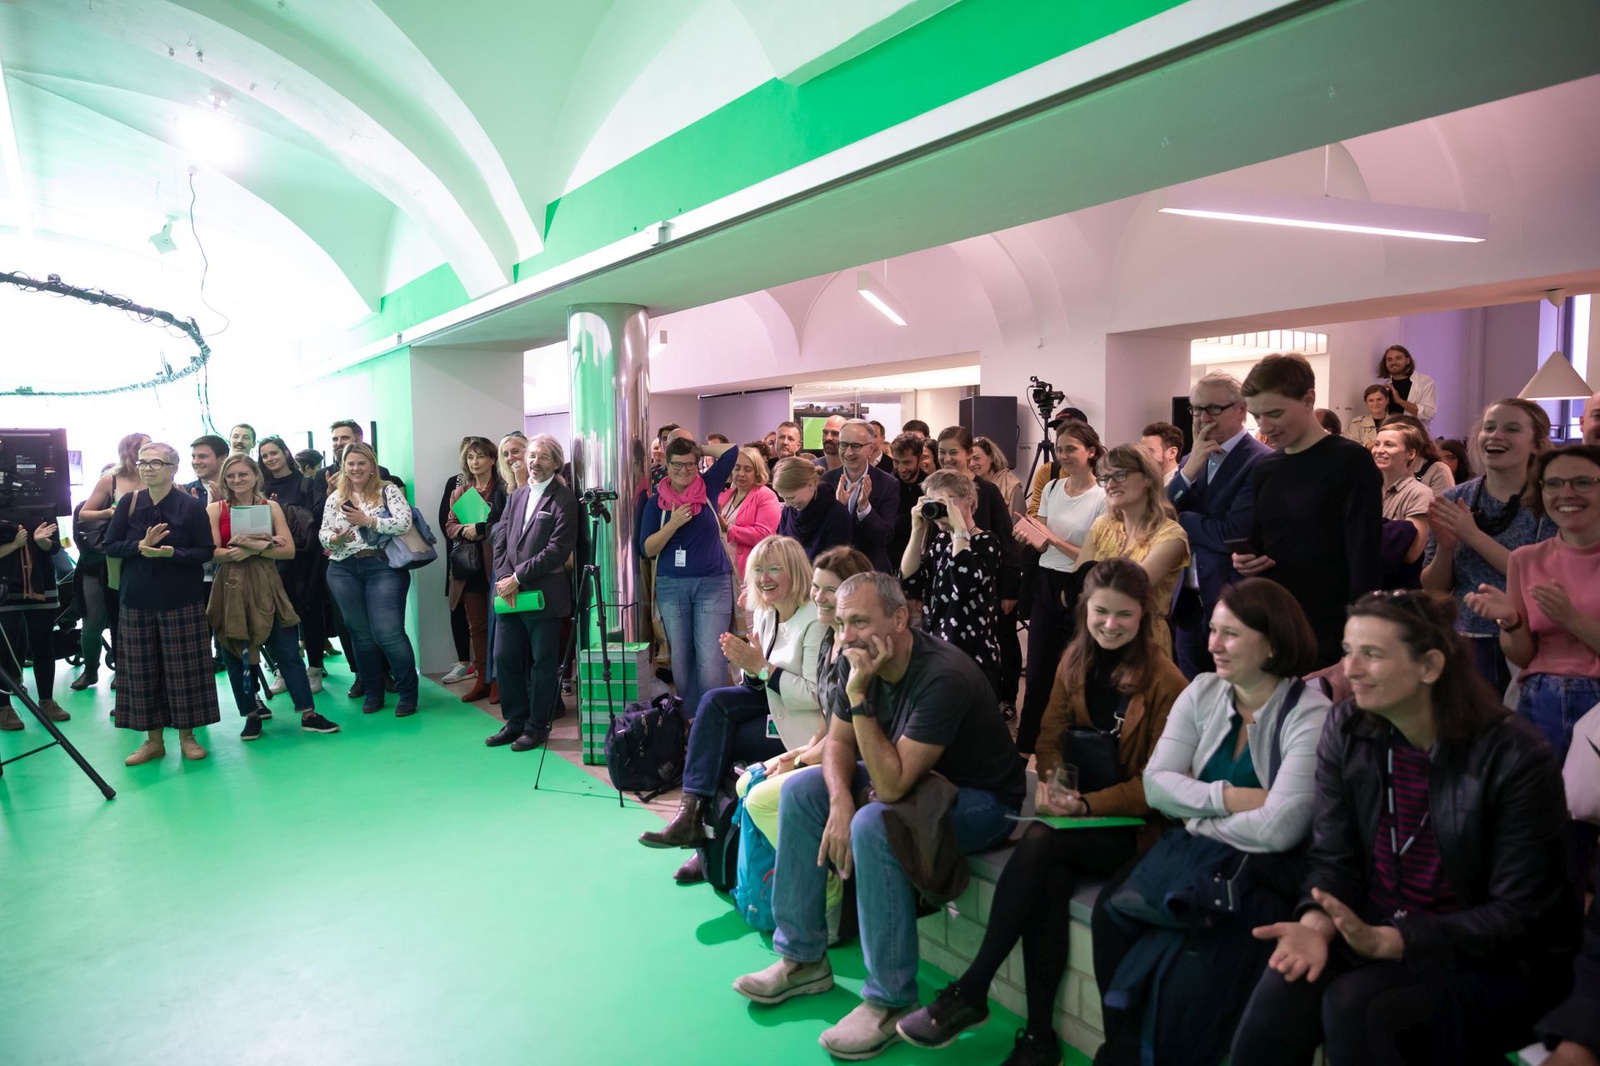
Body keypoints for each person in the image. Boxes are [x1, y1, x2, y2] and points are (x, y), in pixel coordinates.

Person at [1230, 591, 1580, 1066]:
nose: (1349, 670)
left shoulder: (1514, 754)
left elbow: (1520, 915)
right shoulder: (1346, 727)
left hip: (1495, 960)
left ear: (1430, 666)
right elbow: (1333, 859)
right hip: (1378, 930)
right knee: (1289, 975)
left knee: (1356, 1006)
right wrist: (1316, 924)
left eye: (1371, 654)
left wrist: (1397, 941)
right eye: (1348, 651)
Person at [896, 559, 1186, 1066]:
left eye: (1124, 614)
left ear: (1144, 615)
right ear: (1085, 610)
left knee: (1042, 842)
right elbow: (1048, 739)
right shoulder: (1075, 660)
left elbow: (1156, 787)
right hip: (1076, 819)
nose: (1110, 624)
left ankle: (973, 988)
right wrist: (1054, 786)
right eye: (1100, 612)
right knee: (1047, 877)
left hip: (1137, 829)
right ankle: (1038, 1039)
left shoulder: (1168, 683)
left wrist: (1087, 805)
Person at [733, 573, 1024, 1061]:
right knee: (803, 793)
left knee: (876, 823)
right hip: (917, 781)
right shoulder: (858, 658)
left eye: (861, 622)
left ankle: (890, 1000)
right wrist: (840, 802)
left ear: (900, 618)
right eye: (842, 623)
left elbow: (890, 787)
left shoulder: (942, 675)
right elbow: (838, 746)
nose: (847, 636)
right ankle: (803, 960)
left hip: (984, 800)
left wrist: (860, 697)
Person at [1089, 579, 1328, 1066]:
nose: (1214, 644)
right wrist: (1231, 798)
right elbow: (1156, 786)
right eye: (1213, 630)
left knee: (1187, 967)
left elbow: (1281, 828)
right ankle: (1122, 1049)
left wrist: (1194, 811)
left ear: (1274, 644)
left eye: (1231, 634)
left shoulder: (1310, 713)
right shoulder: (1203, 690)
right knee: (1110, 913)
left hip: (1259, 876)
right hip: (1194, 856)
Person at [640, 536, 823, 873]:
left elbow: (814, 695)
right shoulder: (767, 612)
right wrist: (750, 667)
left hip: (804, 727)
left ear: (796, 571)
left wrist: (761, 668)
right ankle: (691, 817)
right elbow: (757, 683)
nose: (764, 578)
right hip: (774, 705)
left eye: (774, 569)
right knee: (713, 702)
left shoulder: (815, 620)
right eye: (758, 570)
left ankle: (707, 847)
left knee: (717, 743)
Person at [1466, 443, 1600, 884]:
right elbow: (1523, 656)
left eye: (1583, 482)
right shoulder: (1527, 559)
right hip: (1540, 703)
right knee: (1542, 836)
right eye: (1553, 484)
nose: (1566, 493)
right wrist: (1509, 620)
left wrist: (1571, 619)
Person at [1234, 353, 1383, 668]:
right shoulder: (1265, 468)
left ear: (1308, 399)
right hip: (1273, 623)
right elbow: (1261, 540)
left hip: (1328, 626)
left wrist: (1356, 642)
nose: (1265, 427)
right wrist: (1245, 560)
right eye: (1257, 416)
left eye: (1275, 413)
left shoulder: (1350, 461)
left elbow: (1364, 556)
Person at [735, 546, 874, 848]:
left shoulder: (858, 648)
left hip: (857, 761)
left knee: (759, 798)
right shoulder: (830, 639)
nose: (819, 597)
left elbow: (845, 734)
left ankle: (820, 872)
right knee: (745, 781)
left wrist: (798, 761)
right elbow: (829, 718)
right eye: (816, 587)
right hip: (822, 745)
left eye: (831, 590)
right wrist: (798, 754)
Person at [1423, 399, 1555, 691]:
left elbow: (1541, 580)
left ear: (1536, 444)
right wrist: (1445, 548)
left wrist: (1472, 536)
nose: (1496, 436)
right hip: (1462, 640)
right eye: (1489, 427)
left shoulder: (1550, 501)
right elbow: (1433, 589)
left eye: (1512, 429)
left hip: (1527, 643)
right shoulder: (1453, 498)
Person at [102, 442, 221, 764]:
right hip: (136, 598)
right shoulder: (129, 503)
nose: (148, 468)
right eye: (143, 463)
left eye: (156, 463)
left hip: (180, 599)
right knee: (142, 671)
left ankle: (187, 736)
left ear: (172, 469)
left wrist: (172, 553)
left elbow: (205, 550)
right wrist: (139, 545)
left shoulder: (190, 506)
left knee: (185, 670)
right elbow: (110, 545)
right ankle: (153, 741)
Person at [207, 455, 336, 740]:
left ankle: (308, 713)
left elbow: (288, 550)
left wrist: (252, 548)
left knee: (287, 649)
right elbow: (212, 551)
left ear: (256, 475)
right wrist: (260, 545)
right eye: (231, 476)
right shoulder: (216, 509)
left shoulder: (271, 507)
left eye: (243, 474)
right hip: (231, 587)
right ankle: (251, 714)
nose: (237, 480)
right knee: (237, 653)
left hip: (268, 584)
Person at [1167, 370, 1272, 678]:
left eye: (1213, 408)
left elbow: (1233, 533)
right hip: (1188, 601)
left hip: (1232, 599)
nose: (1202, 418)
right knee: (1193, 693)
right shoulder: (1190, 459)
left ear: (1241, 410)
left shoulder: (1260, 461)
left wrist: (1184, 520)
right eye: (1196, 409)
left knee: (1234, 692)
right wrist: (1187, 474)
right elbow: (1161, 514)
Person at [1015, 420, 1107, 753]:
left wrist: (1051, 538)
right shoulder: (1053, 488)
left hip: (1081, 586)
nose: (1063, 455)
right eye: (1059, 449)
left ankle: (1071, 748)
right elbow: (1042, 542)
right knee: (1038, 674)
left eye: (1071, 449)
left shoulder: (1102, 497)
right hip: (1046, 582)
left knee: (1076, 673)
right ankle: (1026, 747)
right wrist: (1028, 533)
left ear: (1091, 452)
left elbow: (1091, 554)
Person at [489, 434, 579, 751]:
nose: (534, 462)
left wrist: (518, 576)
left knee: (543, 664)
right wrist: (504, 576)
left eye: (542, 457)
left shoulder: (564, 499)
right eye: (531, 456)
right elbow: (500, 540)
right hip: (511, 595)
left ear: (555, 463)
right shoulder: (516, 496)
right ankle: (515, 721)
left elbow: (557, 550)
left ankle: (538, 726)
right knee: (505, 658)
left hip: (544, 596)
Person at [639, 436, 740, 719]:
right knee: (681, 659)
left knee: (711, 658)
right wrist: (673, 524)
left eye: (690, 465)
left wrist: (698, 448)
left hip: (713, 583)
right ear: (666, 465)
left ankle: (711, 720)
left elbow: (731, 451)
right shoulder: (656, 504)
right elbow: (647, 549)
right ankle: (689, 720)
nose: (684, 471)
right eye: (677, 465)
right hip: (672, 586)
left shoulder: (708, 486)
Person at [319, 441, 421, 716]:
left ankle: (408, 694)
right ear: (344, 467)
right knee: (360, 634)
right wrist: (335, 539)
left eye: (361, 463)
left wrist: (368, 521)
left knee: (388, 632)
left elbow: (404, 523)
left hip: (383, 566)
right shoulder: (335, 498)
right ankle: (373, 692)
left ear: (372, 465)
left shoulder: (388, 490)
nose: (355, 468)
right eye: (350, 463)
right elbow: (323, 533)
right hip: (342, 568)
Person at [1079, 444, 1190, 653]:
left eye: (1120, 475)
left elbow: (1130, 589)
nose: (1110, 484)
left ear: (1147, 478)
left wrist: (1089, 584)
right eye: (1105, 478)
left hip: (1145, 643)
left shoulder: (1171, 535)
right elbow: (1072, 591)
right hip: (1097, 637)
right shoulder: (1102, 525)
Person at [901, 471, 1002, 692]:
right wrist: (917, 531)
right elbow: (909, 580)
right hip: (936, 647)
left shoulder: (986, 542)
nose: (941, 509)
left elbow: (964, 584)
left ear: (969, 500)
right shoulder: (940, 542)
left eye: (947, 501)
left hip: (972, 653)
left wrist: (959, 529)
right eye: (932, 502)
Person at [75, 431, 148, 689]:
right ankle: (96, 669)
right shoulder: (111, 480)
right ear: (131, 451)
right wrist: (110, 511)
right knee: (102, 620)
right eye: (145, 447)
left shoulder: (156, 478)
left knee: (135, 620)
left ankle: (130, 672)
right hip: (109, 561)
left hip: (144, 557)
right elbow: (84, 513)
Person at [257, 435, 329, 693]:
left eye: (274, 453)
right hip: (271, 558)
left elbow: (316, 518)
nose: (270, 459)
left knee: (310, 612)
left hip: (304, 558)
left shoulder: (306, 482)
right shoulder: (260, 486)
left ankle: (315, 669)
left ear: (285, 453)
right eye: (265, 455)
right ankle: (284, 670)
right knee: (276, 616)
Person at [443, 437, 507, 703]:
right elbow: (449, 526)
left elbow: (509, 525)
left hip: (498, 565)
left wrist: (483, 529)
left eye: (480, 456)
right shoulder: (460, 492)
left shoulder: (504, 489)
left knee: (501, 625)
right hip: (469, 568)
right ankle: (482, 678)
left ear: (492, 459)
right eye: (470, 457)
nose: (475, 462)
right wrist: (464, 530)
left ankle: (499, 680)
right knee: (477, 626)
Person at [0, 514, 69, 728]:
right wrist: (14, 545)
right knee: (5, 648)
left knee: (43, 643)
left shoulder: (43, 507)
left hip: (42, 583)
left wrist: (41, 542)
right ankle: (3, 707)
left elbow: (55, 548)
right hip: (6, 586)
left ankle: (47, 701)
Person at [820, 419, 900, 572]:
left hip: (871, 570)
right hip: (834, 569)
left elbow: (884, 536)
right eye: (844, 445)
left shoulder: (887, 484)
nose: (848, 452)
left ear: (871, 448)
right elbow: (819, 533)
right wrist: (838, 510)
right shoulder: (826, 481)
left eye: (856, 446)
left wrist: (865, 509)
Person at [718, 445, 782, 633]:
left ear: (757, 472)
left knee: (751, 629)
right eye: (737, 468)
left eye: (748, 469)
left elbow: (764, 535)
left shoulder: (765, 495)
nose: (741, 474)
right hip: (723, 571)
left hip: (750, 572)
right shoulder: (726, 495)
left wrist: (729, 529)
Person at [1372, 421, 1434, 586]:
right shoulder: (1368, 490)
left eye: (1389, 445)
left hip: (1399, 590)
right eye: (1377, 444)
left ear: (1411, 454)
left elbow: (1411, 553)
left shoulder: (1420, 493)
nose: (1379, 450)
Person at [773, 456, 849, 561]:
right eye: (784, 498)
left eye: (792, 497)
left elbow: (836, 563)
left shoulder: (837, 515)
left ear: (810, 485)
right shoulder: (788, 511)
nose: (788, 504)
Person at [886, 432, 927, 573]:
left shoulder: (931, 487)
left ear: (920, 459)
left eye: (907, 462)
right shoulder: (885, 486)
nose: (901, 469)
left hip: (923, 561)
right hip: (891, 562)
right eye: (896, 462)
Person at [1374, 343, 1438, 429]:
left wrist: (1400, 401)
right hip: (1392, 432)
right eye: (1389, 359)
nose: (1393, 362)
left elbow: (1429, 413)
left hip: (1415, 434)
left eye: (1398, 358)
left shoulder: (1425, 382)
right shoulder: (1385, 386)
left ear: (1407, 360)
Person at [971, 436, 1024, 512]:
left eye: (977, 458)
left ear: (992, 457)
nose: (972, 464)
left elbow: (1018, 518)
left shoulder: (1012, 486)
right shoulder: (967, 484)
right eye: (969, 459)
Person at [1138, 422, 1184, 487]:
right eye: (1142, 451)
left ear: (1172, 453)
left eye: (1150, 451)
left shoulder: (1186, 486)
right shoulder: (1143, 486)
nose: (1142, 457)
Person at [185, 434, 226, 502]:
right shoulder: (185, 492)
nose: (195, 462)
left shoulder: (236, 490)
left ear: (222, 458)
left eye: (202, 456)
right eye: (193, 457)